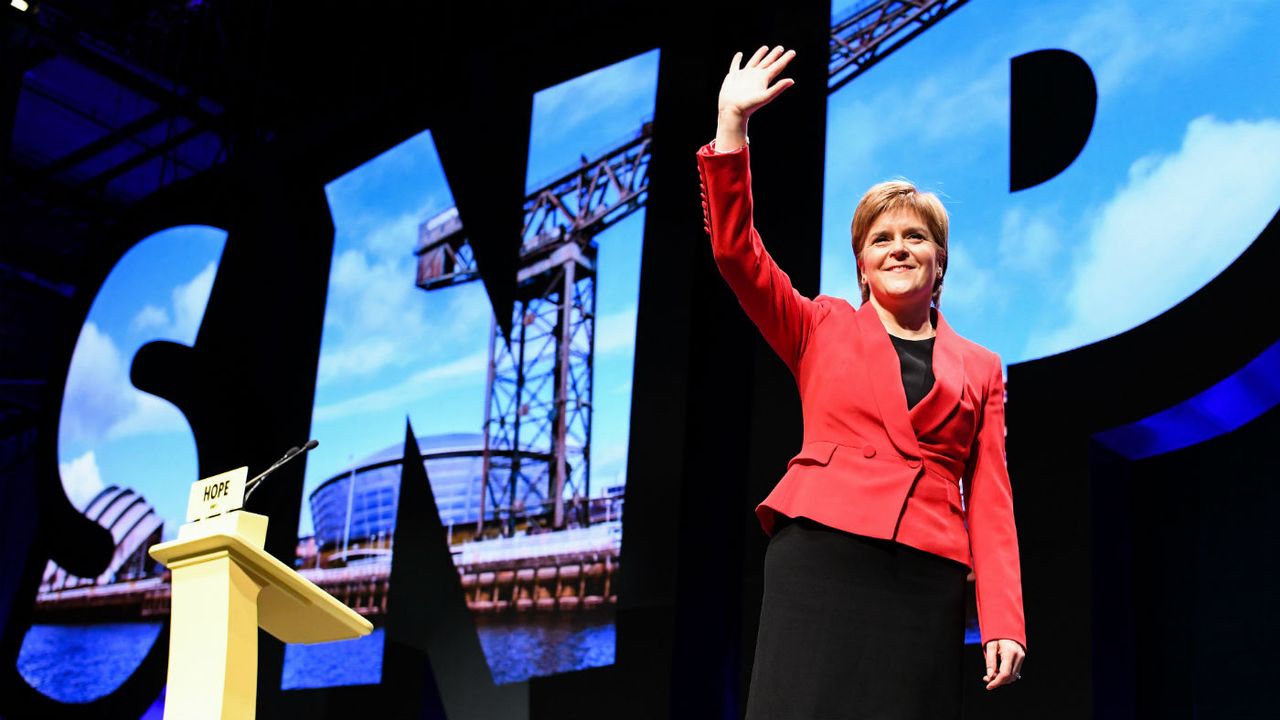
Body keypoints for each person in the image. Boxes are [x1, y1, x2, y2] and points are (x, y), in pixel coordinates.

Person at [695, 46, 1027, 718]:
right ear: (862, 266)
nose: (898, 247)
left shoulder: (982, 366)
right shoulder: (819, 325)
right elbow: (736, 252)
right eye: (880, 239)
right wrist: (733, 127)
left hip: (923, 579)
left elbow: (990, 496)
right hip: (822, 557)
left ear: (940, 263)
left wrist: (1004, 620)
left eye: (915, 236)